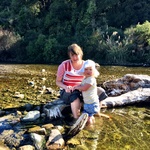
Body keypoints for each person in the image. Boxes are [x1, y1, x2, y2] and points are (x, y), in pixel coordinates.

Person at [56, 43, 107, 125]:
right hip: (68, 90)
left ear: (81, 54)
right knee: (74, 96)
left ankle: (95, 112)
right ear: (69, 55)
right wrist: (65, 87)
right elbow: (58, 82)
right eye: (72, 55)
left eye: (77, 54)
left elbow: (92, 76)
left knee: (101, 91)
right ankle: (76, 119)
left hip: (82, 89)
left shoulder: (86, 65)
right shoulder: (64, 65)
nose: (75, 57)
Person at [73, 59, 100, 125]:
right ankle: (93, 124)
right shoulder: (85, 78)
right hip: (88, 102)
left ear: (94, 71)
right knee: (90, 116)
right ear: (83, 71)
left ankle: (90, 128)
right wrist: (76, 86)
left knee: (88, 117)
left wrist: (77, 88)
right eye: (86, 69)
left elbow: (84, 88)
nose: (88, 71)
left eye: (90, 69)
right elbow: (82, 85)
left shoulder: (91, 79)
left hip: (91, 103)